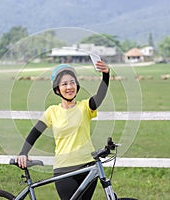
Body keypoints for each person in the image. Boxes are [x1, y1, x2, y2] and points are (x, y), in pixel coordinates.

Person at [17, 60, 110, 199]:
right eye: (64, 84)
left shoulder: (85, 107)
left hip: (88, 166)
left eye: (72, 82)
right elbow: (35, 133)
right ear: (57, 89)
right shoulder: (52, 111)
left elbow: (100, 96)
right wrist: (23, 152)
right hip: (64, 170)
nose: (69, 87)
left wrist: (106, 75)